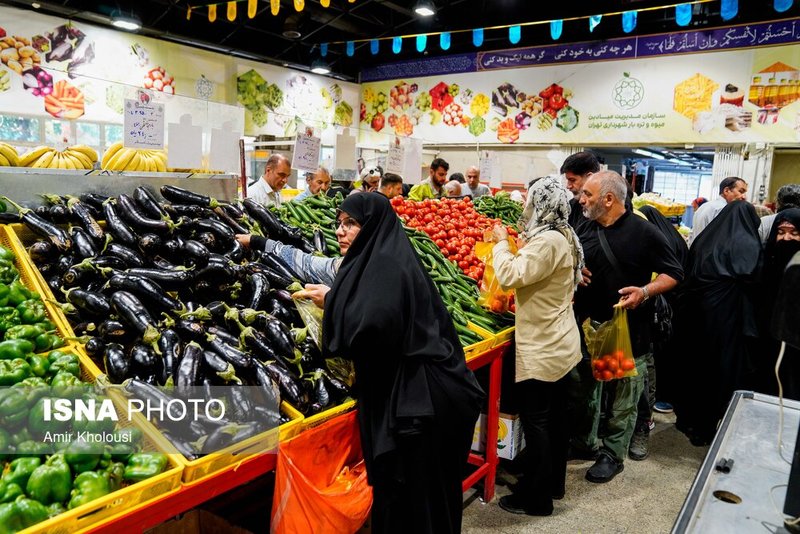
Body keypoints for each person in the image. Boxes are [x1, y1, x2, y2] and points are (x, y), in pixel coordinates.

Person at [298, 193, 484, 533]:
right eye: (339, 223)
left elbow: (375, 329)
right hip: (421, 393)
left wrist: (333, 302)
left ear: (372, 226)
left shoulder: (386, 266)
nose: (340, 231)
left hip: (420, 402)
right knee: (427, 500)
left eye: (351, 223)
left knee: (416, 501)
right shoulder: (382, 258)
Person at [574, 170, 683, 482]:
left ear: (609, 199)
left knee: (623, 397)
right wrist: (576, 271)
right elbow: (576, 260)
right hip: (588, 327)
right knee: (587, 391)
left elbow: (674, 273)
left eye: (588, 195)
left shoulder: (643, 232)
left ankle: (612, 454)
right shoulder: (586, 225)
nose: (581, 200)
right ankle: (583, 443)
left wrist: (644, 292)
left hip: (626, 331)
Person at [488, 176, 583, 516]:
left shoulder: (547, 242)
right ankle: (553, 484)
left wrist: (501, 243)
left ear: (540, 205)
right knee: (555, 420)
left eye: (531, 202)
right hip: (560, 340)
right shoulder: (562, 233)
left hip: (544, 345)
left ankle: (537, 499)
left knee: (537, 422)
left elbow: (510, 275)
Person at [672, 201, 762, 446]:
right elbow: (754, 279)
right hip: (728, 321)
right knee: (722, 373)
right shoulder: (747, 243)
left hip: (697, 317)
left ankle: (689, 421)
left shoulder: (704, 240)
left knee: (696, 368)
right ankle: (710, 426)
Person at [754, 208, 800, 399]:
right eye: (781, 232)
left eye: (794, 233)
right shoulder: (765, 259)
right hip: (767, 337)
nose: (786, 238)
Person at [688, 176, 748, 245]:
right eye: (741, 191)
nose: (744, 197)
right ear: (726, 191)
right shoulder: (724, 209)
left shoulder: (704, 206)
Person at [561, 151, 601, 230]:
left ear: (590, 177)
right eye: (568, 180)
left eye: (572, 180)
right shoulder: (572, 206)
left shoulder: (606, 207)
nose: (568, 186)